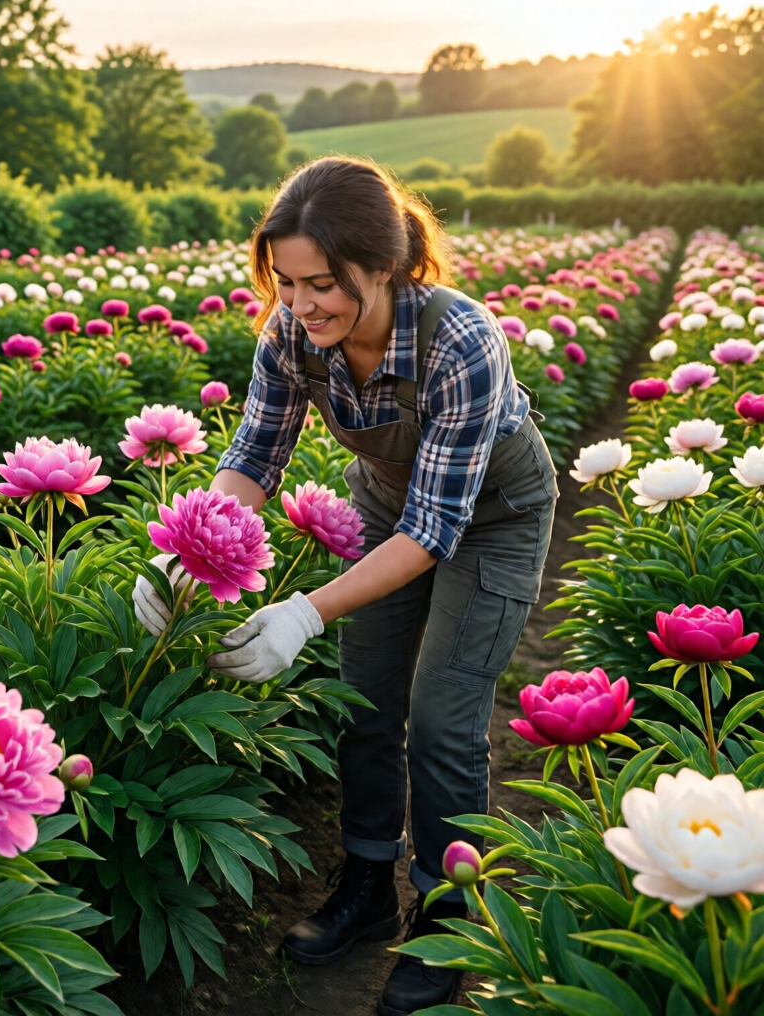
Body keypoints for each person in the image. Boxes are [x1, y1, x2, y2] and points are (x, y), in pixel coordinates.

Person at [132, 156, 556, 1015]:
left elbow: (435, 529)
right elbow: (255, 454)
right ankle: (366, 889)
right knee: (364, 700)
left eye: (322, 284)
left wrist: (303, 613)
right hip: (387, 507)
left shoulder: (461, 340)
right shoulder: (291, 334)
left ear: (385, 265)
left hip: (494, 521)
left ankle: (448, 919)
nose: (301, 304)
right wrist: (189, 551)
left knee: (442, 716)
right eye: (285, 283)